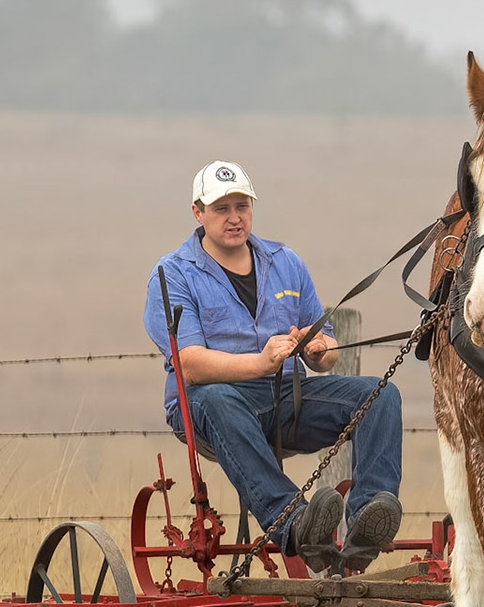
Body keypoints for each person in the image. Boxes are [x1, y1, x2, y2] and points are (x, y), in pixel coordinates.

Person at [144, 160, 402, 573]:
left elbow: (331, 350)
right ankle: (294, 524)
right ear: (198, 212)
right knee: (215, 398)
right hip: (212, 409)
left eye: (242, 206)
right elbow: (189, 365)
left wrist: (318, 349)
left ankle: (368, 520)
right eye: (221, 208)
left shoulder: (286, 262)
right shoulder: (173, 275)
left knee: (381, 394)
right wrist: (261, 362)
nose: (234, 218)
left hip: (286, 400)